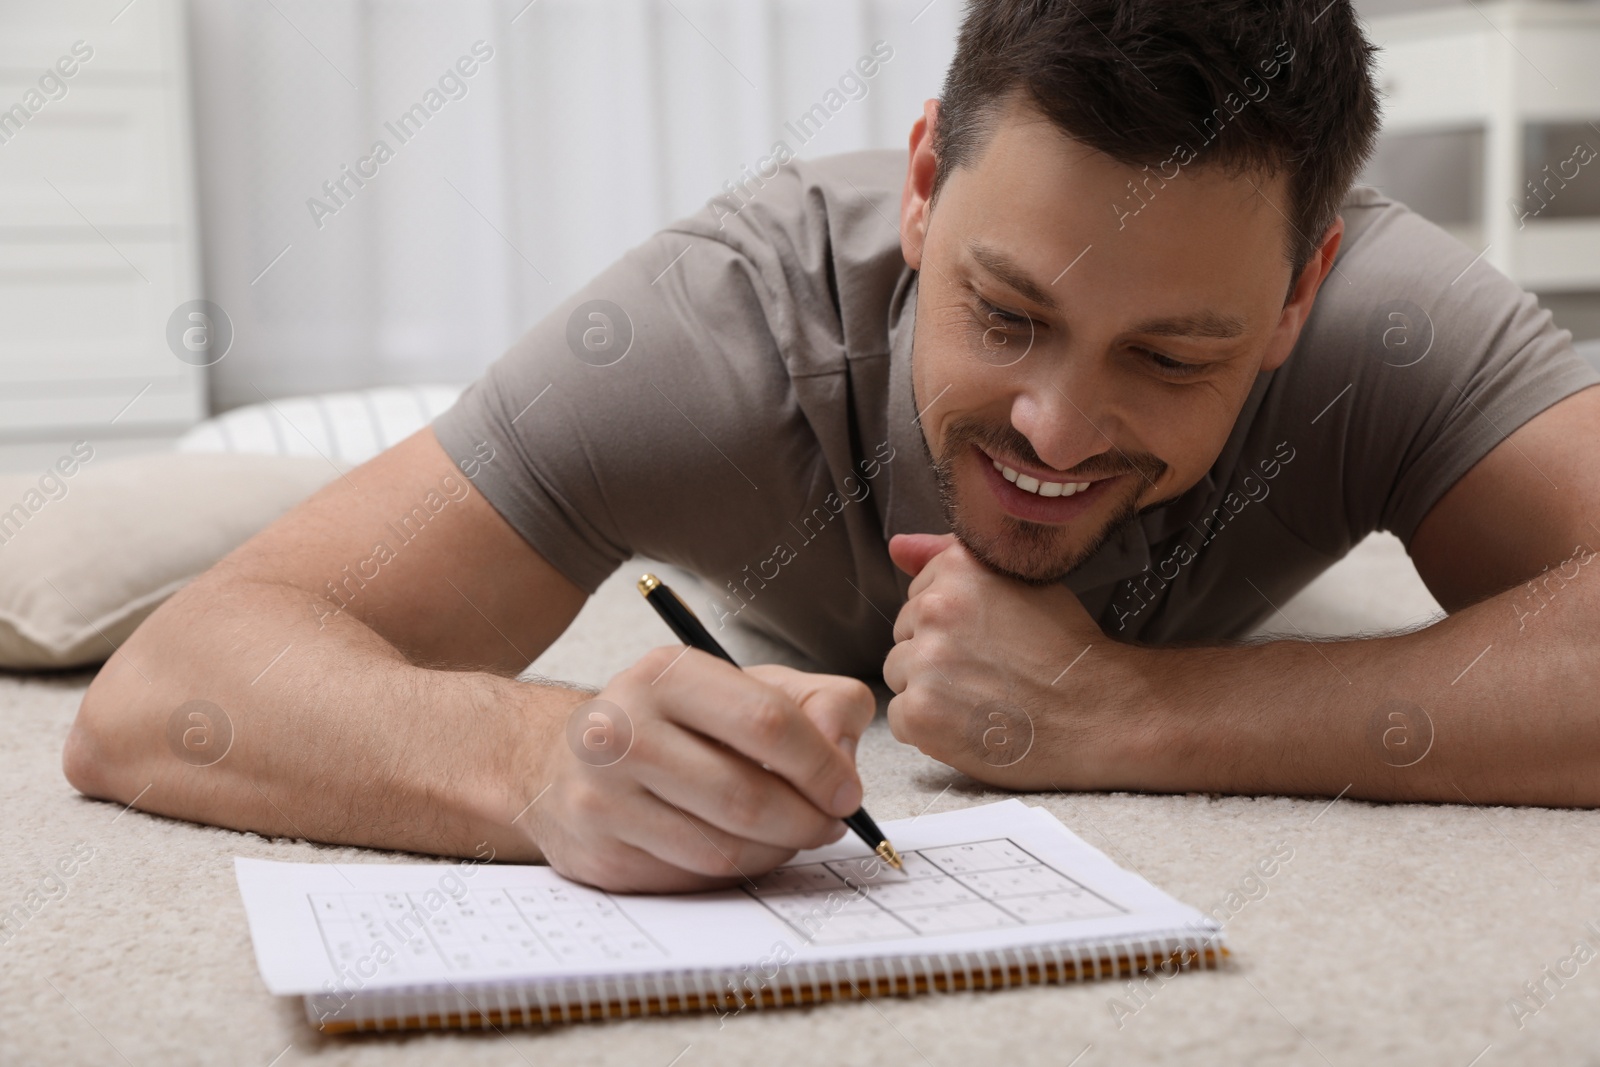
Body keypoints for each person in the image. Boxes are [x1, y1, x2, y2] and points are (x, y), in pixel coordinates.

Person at [64, 0, 1600, 893]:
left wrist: (1133, 715)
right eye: (1004, 315)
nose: (1056, 430)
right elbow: (167, 688)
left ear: (1297, 295)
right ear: (926, 185)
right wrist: (539, 761)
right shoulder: (716, 323)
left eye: (1172, 355)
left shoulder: (1388, 320)